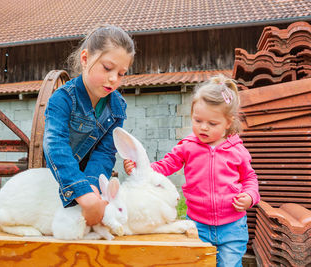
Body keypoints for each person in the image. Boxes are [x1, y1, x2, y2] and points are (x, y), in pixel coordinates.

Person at [124, 75, 260, 267]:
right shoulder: (187, 146)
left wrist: (249, 196)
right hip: (198, 224)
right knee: (199, 263)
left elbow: (250, 178)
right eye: (198, 120)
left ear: (228, 123)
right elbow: (166, 165)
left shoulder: (237, 150)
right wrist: (140, 169)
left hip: (232, 226)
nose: (203, 127)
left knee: (229, 264)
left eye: (212, 124)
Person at [43, 25, 135, 226]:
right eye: (108, 68)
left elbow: (105, 153)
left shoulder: (117, 107)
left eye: (121, 74)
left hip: (90, 183)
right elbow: (55, 145)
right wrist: (81, 190)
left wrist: (92, 185)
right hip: (58, 178)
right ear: (85, 59)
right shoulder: (62, 99)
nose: (114, 79)